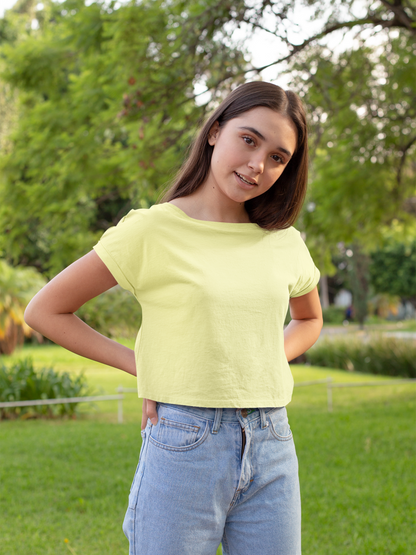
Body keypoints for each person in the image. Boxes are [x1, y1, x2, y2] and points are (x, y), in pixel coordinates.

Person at [25, 81, 323, 555]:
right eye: (249, 140)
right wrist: (146, 366)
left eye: (277, 157)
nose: (257, 165)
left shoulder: (283, 240)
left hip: (272, 443)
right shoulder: (152, 229)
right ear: (215, 132)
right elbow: (45, 310)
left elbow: (308, 320)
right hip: (185, 439)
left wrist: (266, 357)